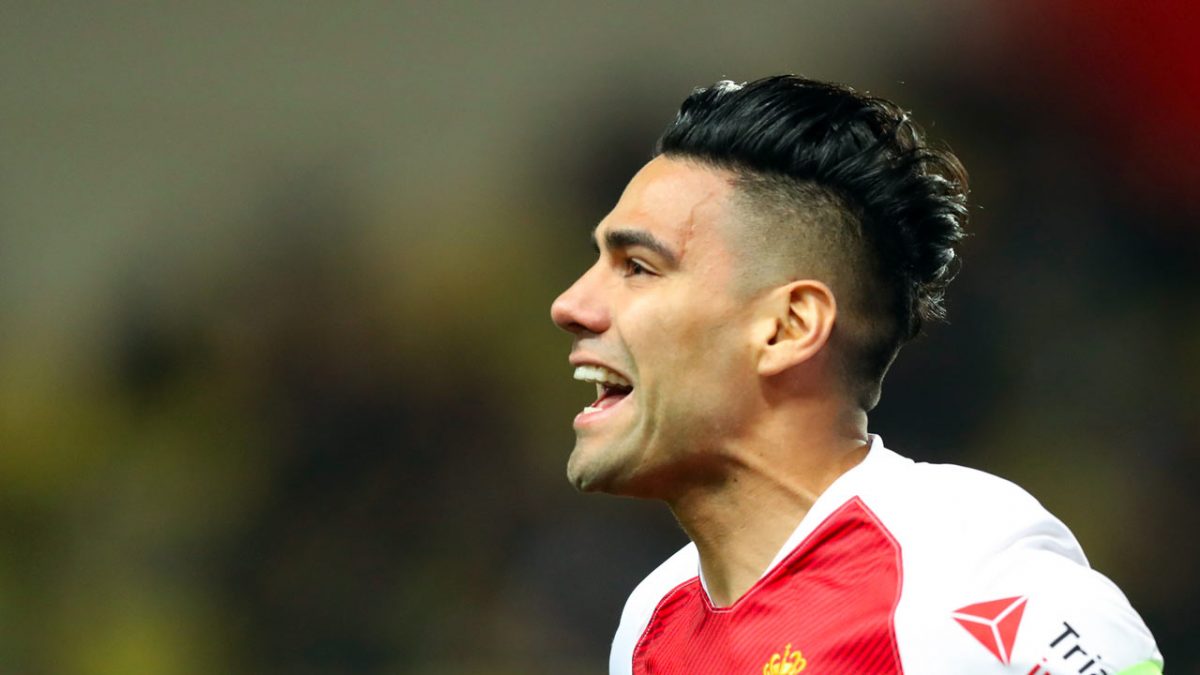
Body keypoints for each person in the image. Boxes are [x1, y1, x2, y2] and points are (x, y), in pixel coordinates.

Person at [549, 75, 1163, 674]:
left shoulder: (967, 571)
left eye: (638, 267)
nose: (570, 305)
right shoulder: (653, 626)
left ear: (788, 327)